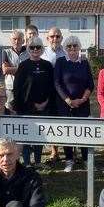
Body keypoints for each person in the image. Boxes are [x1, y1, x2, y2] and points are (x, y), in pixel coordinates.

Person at [54, 35, 94, 172]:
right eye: (69, 46)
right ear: (65, 48)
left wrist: (82, 99)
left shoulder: (84, 62)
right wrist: (68, 100)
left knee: (83, 133)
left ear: (79, 48)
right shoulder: (60, 62)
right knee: (68, 133)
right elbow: (57, 83)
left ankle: (85, 160)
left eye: (75, 46)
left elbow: (90, 84)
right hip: (65, 104)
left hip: (83, 104)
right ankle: (69, 160)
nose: (72, 48)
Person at [13, 36, 55, 167]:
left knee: (40, 135)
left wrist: (46, 102)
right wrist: (32, 104)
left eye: (38, 47)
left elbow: (52, 86)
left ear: (42, 49)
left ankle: (37, 161)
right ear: (28, 49)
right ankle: (26, 162)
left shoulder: (47, 65)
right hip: (26, 107)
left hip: (44, 107)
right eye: (32, 47)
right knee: (26, 136)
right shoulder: (23, 66)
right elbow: (17, 89)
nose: (35, 49)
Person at [41, 26, 66, 164]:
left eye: (57, 36)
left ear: (61, 38)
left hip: (64, 93)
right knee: (51, 121)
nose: (55, 39)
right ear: (48, 38)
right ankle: (54, 151)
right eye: (52, 36)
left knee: (65, 121)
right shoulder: (42, 53)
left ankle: (70, 151)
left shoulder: (66, 52)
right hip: (49, 93)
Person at [1, 30, 25, 110]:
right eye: (14, 39)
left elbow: (30, 70)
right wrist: (24, 69)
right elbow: (5, 70)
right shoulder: (6, 52)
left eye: (19, 39)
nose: (17, 41)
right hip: (10, 88)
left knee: (24, 111)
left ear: (23, 41)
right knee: (10, 110)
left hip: (25, 87)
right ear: (11, 40)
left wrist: (12, 68)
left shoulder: (28, 52)